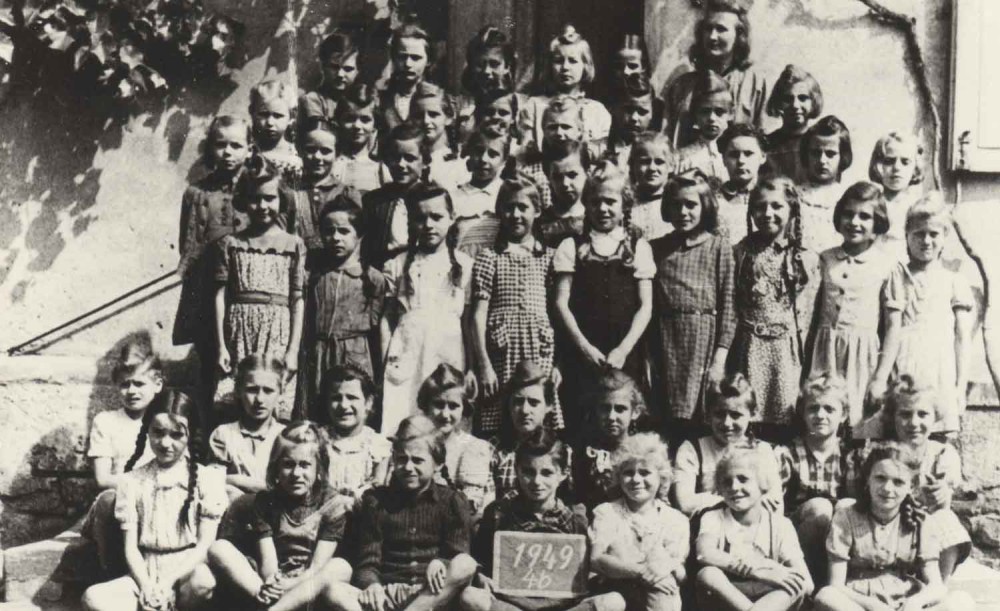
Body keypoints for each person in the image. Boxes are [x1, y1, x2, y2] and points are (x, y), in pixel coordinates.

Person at [81, 393, 225, 611]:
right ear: (147, 431)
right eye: (158, 432)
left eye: (176, 435)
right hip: (145, 571)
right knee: (93, 598)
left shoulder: (207, 479)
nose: (166, 443)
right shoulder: (132, 481)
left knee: (204, 582)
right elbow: (131, 548)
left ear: (191, 435)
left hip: (186, 573)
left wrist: (168, 583)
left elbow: (204, 545)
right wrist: (147, 586)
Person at [324, 415, 478, 611]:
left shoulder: (451, 501)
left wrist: (441, 563)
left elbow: (458, 553)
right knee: (333, 590)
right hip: (388, 594)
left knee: (466, 563)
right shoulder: (376, 501)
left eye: (418, 460)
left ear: (438, 464)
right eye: (402, 459)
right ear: (393, 459)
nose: (408, 468)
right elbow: (368, 562)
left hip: (432, 595)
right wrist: (372, 585)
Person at [461, 430, 626, 611]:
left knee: (614, 601)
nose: (537, 482)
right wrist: (481, 576)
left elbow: (587, 573)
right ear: (517, 470)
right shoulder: (499, 513)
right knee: (470, 596)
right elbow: (480, 559)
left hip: (563, 607)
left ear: (563, 474)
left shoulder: (574, 518)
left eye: (547, 473)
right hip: (512, 606)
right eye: (528, 472)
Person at [207, 422, 353, 610]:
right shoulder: (265, 502)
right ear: (276, 468)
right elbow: (268, 561)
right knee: (219, 548)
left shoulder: (333, 504)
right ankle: (265, 599)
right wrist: (272, 582)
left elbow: (317, 566)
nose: (296, 473)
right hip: (272, 582)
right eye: (288, 465)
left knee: (340, 567)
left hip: (309, 585)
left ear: (319, 469)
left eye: (305, 465)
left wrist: (291, 585)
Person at [814, 445, 975, 611]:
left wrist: (915, 603)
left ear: (911, 487)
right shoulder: (847, 517)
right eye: (880, 478)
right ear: (868, 479)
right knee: (826, 596)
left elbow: (936, 585)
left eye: (898, 482)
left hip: (905, 602)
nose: (887, 489)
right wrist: (874, 606)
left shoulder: (920, 521)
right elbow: (836, 584)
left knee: (962, 600)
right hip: (859, 603)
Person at [866, 200, 974, 434]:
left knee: (938, 436)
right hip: (905, 363)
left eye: (933, 234)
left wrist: (960, 387)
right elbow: (892, 330)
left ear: (945, 236)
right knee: (904, 432)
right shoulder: (898, 276)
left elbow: (962, 338)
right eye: (918, 234)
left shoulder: (954, 281)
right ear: (907, 236)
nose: (926, 241)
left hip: (941, 369)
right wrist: (880, 378)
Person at [553, 160, 654, 407]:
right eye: (595, 201)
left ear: (624, 204)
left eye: (610, 201)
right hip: (583, 351)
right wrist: (585, 348)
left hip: (624, 352)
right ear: (586, 204)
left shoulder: (637, 247)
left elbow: (646, 306)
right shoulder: (571, 247)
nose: (603, 208)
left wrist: (623, 350)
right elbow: (561, 304)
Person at [213, 156, 306, 421]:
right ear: (244, 200)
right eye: (255, 199)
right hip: (239, 331)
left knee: (273, 400)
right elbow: (220, 295)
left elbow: (297, 299)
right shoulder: (231, 243)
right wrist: (221, 346)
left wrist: (292, 351)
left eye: (269, 198)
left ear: (281, 199)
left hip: (278, 331)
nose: (262, 206)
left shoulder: (293, 244)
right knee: (238, 401)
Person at [855, 377, 972, 579]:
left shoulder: (942, 455)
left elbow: (947, 505)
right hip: (882, 530)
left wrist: (943, 495)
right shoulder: (879, 454)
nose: (914, 423)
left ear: (935, 417)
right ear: (892, 417)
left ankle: (937, 586)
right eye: (905, 414)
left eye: (923, 414)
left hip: (924, 535)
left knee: (946, 518)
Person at [380, 182, 473, 435]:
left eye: (437, 217)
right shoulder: (397, 265)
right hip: (408, 350)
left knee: (445, 416)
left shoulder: (464, 264)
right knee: (404, 414)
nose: (429, 225)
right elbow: (388, 318)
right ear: (410, 222)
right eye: (420, 218)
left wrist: (471, 366)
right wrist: (385, 359)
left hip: (449, 349)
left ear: (452, 218)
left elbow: (468, 322)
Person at [730, 176, 819, 440]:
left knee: (784, 416)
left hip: (786, 352)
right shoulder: (739, 253)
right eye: (760, 207)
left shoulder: (805, 257)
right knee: (747, 414)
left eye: (777, 206)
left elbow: (810, 313)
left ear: (792, 210)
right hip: (749, 348)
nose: (768, 213)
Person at [471, 170, 560, 435]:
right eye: (509, 208)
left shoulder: (549, 257)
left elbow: (558, 313)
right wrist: (484, 365)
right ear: (500, 211)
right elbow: (478, 315)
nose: (516, 214)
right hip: (502, 351)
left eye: (523, 207)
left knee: (537, 412)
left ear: (537, 211)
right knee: (501, 413)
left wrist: (559, 363)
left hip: (539, 348)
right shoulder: (490, 257)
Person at [650, 169, 735, 434]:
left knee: (701, 419)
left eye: (690, 205)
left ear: (705, 206)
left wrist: (719, 358)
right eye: (676, 205)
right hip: (665, 341)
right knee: (667, 419)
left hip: (703, 340)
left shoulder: (718, 247)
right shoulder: (655, 249)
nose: (683, 212)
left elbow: (729, 306)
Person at [175, 116, 251, 402]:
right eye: (221, 145)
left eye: (236, 145)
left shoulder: (261, 190)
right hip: (208, 290)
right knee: (210, 363)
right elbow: (187, 243)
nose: (228, 152)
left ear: (249, 149)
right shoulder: (196, 194)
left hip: (247, 289)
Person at [808, 182, 894, 435]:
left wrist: (880, 378)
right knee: (823, 420)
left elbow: (893, 327)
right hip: (825, 353)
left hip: (862, 357)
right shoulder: (825, 259)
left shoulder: (885, 265)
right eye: (848, 214)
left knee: (859, 426)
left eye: (864, 216)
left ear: (877, 223)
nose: (855, 222)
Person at [693, 447, 812, 611]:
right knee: (708, 574)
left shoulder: (780, 525)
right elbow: (704, 553)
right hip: (728, 601)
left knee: (798, 584)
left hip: (770, 602)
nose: (734, 487)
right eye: (727, 482)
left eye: (743, 479)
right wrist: (755, 570)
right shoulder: (713, 517)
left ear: (762, 483)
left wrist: (770, 567)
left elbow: (808, 583)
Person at [302, 192, 386, 411]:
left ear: (359, 235)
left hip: (355, 355)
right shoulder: (314, 275)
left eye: (344, 231)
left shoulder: (372, 278)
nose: (335, 238)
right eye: (329, 231)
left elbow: (378, 329)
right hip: (319, 354)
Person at [83, 346, 163, 577]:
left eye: (139, 384)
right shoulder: (106, 421)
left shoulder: (166, 421)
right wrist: (144, 485)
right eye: (125, 384)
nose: (131, 391)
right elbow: (103, 478)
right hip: (119, 499)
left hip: (159, 498)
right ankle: (111, 572)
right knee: (109, 500)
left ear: (158, 385)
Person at [589, 433, 690, 611]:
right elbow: (596, 559)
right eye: (628, 473)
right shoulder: (608, 512)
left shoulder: (675, 519)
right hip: (613, 587)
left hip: (657, 591)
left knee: (663, 572)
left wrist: (662, 568)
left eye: (645, 473)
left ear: (661, 478)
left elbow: (681, 574)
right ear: (618, 477)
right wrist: (641, 571)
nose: (636, 479)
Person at [774, 375, 851, 587]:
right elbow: (776, 508)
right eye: (813, 408)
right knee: (820, 508)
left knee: (846, 505)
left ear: (843, 415)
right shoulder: (787, 454)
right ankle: (806, 583)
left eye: (829, 409)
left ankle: (836, 585)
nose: (820, 415)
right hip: (799, 537)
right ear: (803, 413)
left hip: (839, 539)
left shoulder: (849, 455)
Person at [662, 0, 770, 148]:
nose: (712, 36)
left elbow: (764, 140)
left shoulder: (755, 85)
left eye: (721, 29)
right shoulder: (682, 87)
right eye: (708, 29)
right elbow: (666, 140)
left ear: (738, 35)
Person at [673, 373, 783, 516]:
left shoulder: (762, 450)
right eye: (719, 414)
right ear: (708, 414)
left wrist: (709, 500)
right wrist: (745, 500)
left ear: (752, 414)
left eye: (735, 415)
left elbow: (776, 505)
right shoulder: (692, 450)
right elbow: (684, 503)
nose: (727, 423)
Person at [416, 364, 495, 516]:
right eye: (438, 405)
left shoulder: (473, 447)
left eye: (453, 406)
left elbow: (471, 507)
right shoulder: (415, 443)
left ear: (464, 408)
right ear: (426, 405)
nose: (445, 414)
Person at [520, 24, 612, 154]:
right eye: (559, 61)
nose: (565, 67)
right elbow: (526, 150)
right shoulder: (535, 106)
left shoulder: (597, 111)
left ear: (585, 65)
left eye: (573, 61)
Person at [209, 355, 286, 501]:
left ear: (280, 393)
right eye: (252, 390)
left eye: (268, 391)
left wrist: (233, 480)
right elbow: (213, 483)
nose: (260, 399)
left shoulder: (285, 436)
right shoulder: (224, 435)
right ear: (238, 390)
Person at [489, 360, 565, 499]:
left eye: (534, 403)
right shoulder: (493, 450)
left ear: (549, 406)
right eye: (518, 402)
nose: (524, 410)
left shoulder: (559, 450)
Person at [574, 370, 647, 511]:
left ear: (635, 412)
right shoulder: (586, 454)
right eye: (605, 408)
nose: (611, 417)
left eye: (620, 409)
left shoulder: (645, 453)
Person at [360, 123, 429, 270]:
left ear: (424, 161)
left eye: (409, 158)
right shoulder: (374, 201)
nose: (401, 164)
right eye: (395, 157)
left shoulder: (432, 200)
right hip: (381, 272)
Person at [321, 364, 392, 498]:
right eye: (336, 398)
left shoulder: (378, 447)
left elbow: (378, 487)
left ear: (368, 402)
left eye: (352, 397)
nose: (344, 405)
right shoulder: (318, 440)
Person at [290, 119, 345, 265]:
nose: (318, 157)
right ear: (300, 150)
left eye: (325, 151)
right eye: (310, 150)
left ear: (337, 153)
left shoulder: (346, 194)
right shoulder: (290, 191)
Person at [798, 115, 853, 253]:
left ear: (843, 157)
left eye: (830, 154)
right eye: (816, 153)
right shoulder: (794, 195)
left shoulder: (849, 197)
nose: (822, 160)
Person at [453, 128, 509, 260]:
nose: (484, 159)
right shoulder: (454, 196)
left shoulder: (508, 194)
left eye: (493, 154)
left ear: (504, 161)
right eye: (478, 151)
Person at [868, 132, 926, 259]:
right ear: (878, 165)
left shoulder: (919, 207)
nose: (897, 168)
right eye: (889, 161)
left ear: (915, 168)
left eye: (905, 162)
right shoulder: (869, 203)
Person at [763, 65, 823, 182]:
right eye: (788, 99)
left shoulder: (822, 143)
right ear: (778, 102)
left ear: (814, 102)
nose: (795, 105)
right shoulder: (766, 144)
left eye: (803, 98)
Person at [409, 82, 470, 193]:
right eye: (418, 116)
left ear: (448, 118)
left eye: (433, 114)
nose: (426, 121)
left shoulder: (460, 162)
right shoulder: (405, 160)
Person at [675, 71, 732, 181]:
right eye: (705, 112)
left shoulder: (734, 154)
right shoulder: (685, 158)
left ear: (731, 114)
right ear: (694, 114)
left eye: (719, 112)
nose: (712, 118)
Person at [716, 123, 768, 244]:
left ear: (763, 157)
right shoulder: (713, 201)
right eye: (734, 155)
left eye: (748, 154)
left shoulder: (772, 199)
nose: (741, 161)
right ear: (723, 159)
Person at [299, 30, 360, 130]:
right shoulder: (313, 100)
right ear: (322, 67)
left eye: (348, 69)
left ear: (358, 71)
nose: (340, 74)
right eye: (334, 67)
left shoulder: (361, 101)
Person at [378, 23, 433, 133]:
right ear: (393, 58)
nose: (408, 64)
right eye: (402, 57)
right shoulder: (380, 99)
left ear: (428, 61)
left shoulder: (436, 99)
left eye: (415, 58)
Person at [331, 83, 383, 194]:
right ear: (339, 122)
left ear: (374, 126)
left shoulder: (379, 170)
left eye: (365, 120)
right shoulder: (328, 164)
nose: (357, 126)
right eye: (350, 119)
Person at [605, 73, 663, 170]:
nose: (634, 118)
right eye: (628, 110)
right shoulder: (598, 149)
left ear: (652, 114)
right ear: (614, 109)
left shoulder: (660, 155)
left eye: (642, 112)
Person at [249, 79, 302, 182]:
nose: (270, 122)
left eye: (278, 116)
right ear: (252, 113)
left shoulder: (296, 154)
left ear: (292, 116)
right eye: (263, 114)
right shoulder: (247, 152)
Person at [627, 131, 674, 241]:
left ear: (671, 165)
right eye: (645, 162)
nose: (652, 168)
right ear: (632, 165)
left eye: (659, 162)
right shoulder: (625, 203)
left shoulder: (675, 203)